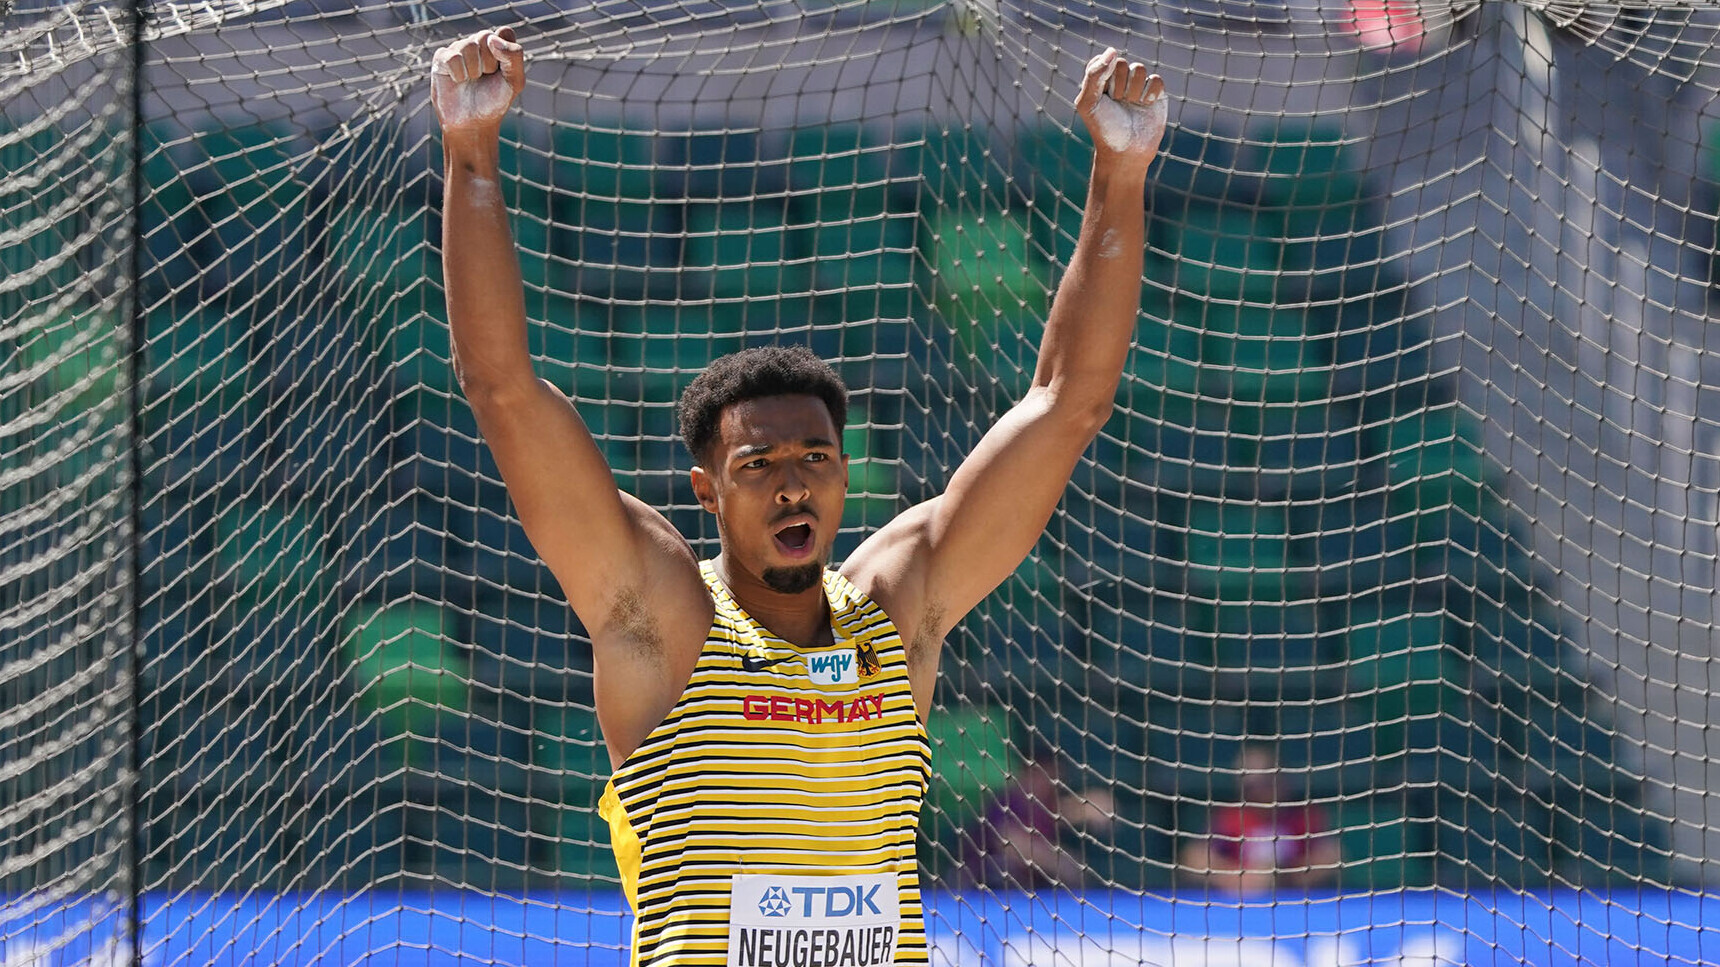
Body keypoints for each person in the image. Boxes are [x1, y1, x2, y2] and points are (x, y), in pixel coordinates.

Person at [429, 25, 1168, 965]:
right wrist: (471, 153)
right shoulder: (661, 613)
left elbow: (1069, 405)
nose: (791, 485)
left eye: (815, 459)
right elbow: (502, 391)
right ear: (707, 490)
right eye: (758, 465)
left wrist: (1122, 172)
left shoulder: (899, 608)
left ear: (845, 475)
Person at [1178, 741, 1341, 895]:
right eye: (1250, 786)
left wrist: (1285, 876)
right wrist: (1239, 878)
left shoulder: (1304, 816)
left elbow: (1330, 856)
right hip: (1242, 904)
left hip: (1295, 901)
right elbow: (1194, 857)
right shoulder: (1230, 817)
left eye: (1264, 783)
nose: (1258, 791)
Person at [960, 739, 1115, 891]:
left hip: (1033, 895)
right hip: (985, 892)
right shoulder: (1005, 803)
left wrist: (1093, 805)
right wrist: (1059, 862)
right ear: (1029, 773)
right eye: (1048, 776)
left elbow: (1071, 810)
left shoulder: (1046, 805)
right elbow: (1011, 844)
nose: (1053, 783)